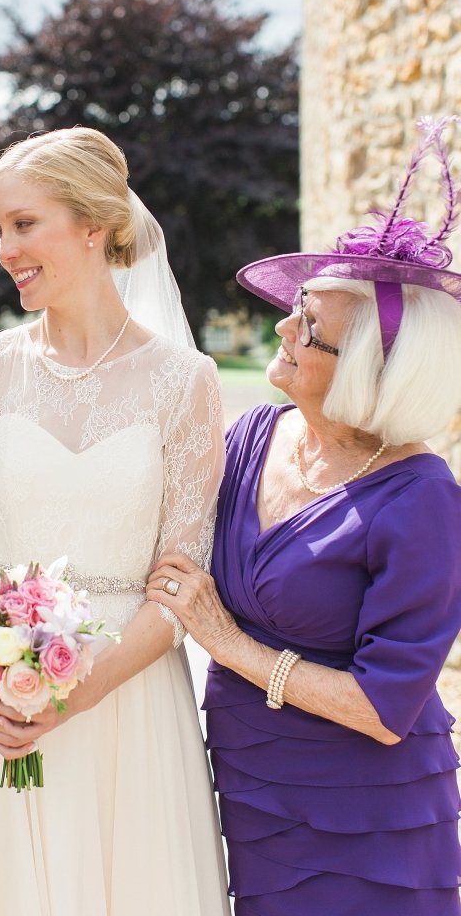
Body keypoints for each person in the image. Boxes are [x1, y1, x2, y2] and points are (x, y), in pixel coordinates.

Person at [0, 128, 230, 915]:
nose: (5, 250)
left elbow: (179, 589)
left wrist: (75, 696)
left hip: (129, 707)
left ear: (94, 225)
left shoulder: (185, 381)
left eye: (24, 224)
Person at [148, 117, 461, 915]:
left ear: (366, 371)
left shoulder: (422, 497)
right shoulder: (251, 435)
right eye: (297, 309)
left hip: (370, 813)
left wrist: (224, 641)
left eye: (311, 327)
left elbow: (385, 710)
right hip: (253, 785)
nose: (283, 327)